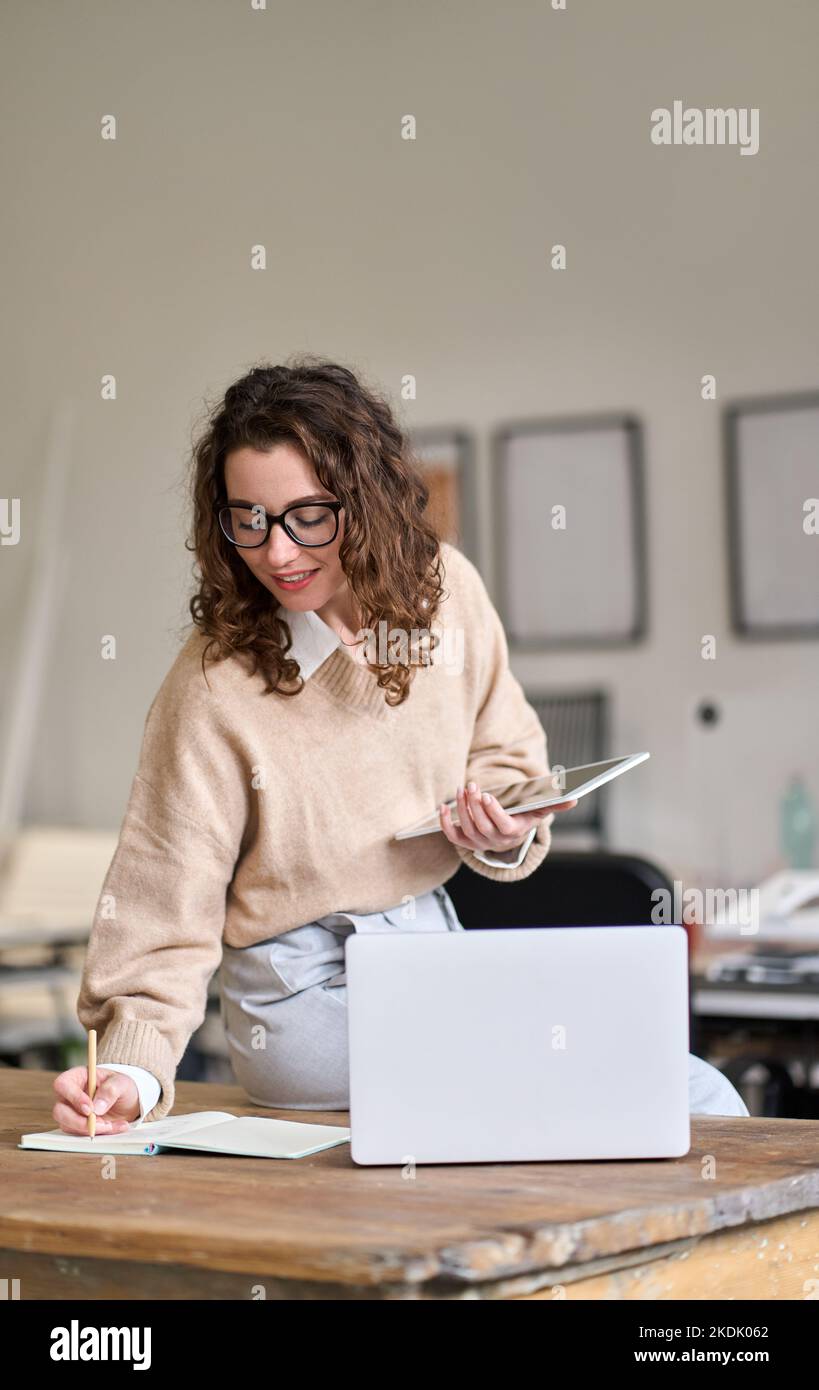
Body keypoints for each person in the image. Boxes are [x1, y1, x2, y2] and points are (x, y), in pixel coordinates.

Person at [53, 355, 748, 1135]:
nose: (276, 551)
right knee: (662, 1092)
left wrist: (504, 824)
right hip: (301, 998)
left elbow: (507, 756)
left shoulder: (447, 594)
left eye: (308, 515)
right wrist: (128, 1070)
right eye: (247, 518)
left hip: (431, 958)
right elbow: (161, 890)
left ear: (368, 498)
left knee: (687, 1091)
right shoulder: (215, 684)